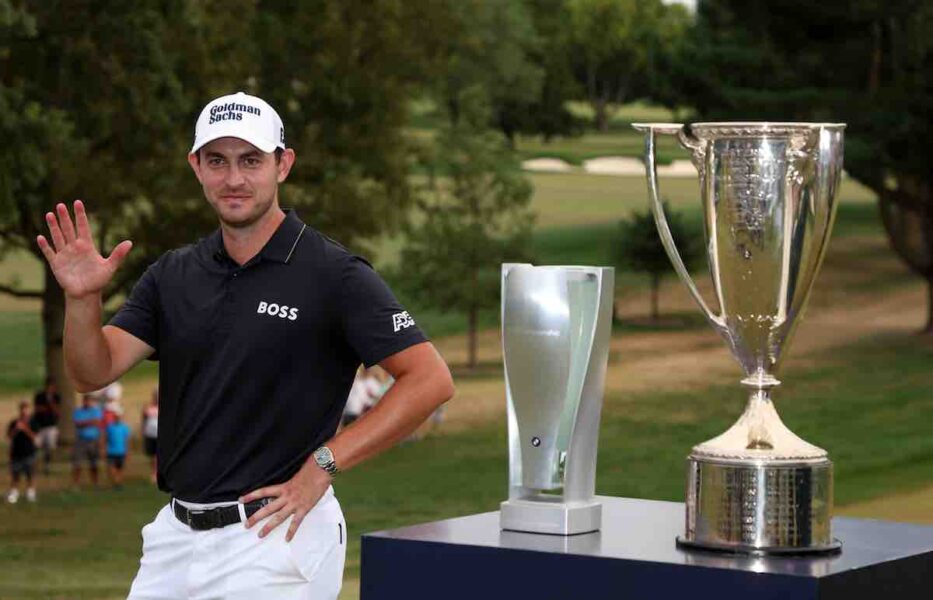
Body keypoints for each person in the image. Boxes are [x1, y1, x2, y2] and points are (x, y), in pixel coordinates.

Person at [37, 91, 455, 599]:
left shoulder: (333, 274)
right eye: (218, 161)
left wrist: (324, 466)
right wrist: (83, 301)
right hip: (175, 537)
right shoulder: (172, 274)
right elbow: (91, 372)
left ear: (283, 164)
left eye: (251, 160)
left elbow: (430, 379)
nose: (234, 179)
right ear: (196, 167)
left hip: (276, 536)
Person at [7, 402, 39, 503]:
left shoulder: (33, 423)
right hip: (16, 453)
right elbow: (9, 437)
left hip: (29, 452)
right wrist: (16, 429)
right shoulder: (14, 422)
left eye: (26, 409)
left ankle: (30, 493)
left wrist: (25, 429)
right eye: (22, 409)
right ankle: (14, 493)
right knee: (15, 475)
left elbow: (34, 437)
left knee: (30, 474)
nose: (24, 411)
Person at [71, 394, 103, 487]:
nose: (88, 403)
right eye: (86, 401)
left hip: (93, 440)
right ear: (83, 401)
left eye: (89, 401)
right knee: (77, 462)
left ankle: (95, 482)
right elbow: (77, 423)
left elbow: (97, 422)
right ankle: (75, 483)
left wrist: (85, 422)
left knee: (94, 463)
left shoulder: (96, 411)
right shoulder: (78, 411)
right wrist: (90, 422)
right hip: (81, 440)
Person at [32, 376, 61, 475]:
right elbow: (37, 409)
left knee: (48, 448)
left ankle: (47, 466)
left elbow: (57, 412)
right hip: (40, 425)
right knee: (36, 445)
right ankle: (34, 465)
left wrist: (50, 404)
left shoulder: (56, 397)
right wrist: (47, 408)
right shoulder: (39, 396)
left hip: (51, 426)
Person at [105, 406, 131, 489]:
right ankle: (116, 482)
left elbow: (126, 440)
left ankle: (118, 484)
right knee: (112, 469)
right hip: (111, 451)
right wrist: (103, 449)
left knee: (120, 469)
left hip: (121, 451)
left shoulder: (124, 427)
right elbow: (105, 438)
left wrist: (127, 451)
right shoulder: (110, 427)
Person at [142, 387, 159, 484]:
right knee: (152, 455)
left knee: (159, 455)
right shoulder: (148, 407)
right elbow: (144, 420)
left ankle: (158, 473)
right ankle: (153, 473)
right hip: (150, 434)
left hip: (159, 435)